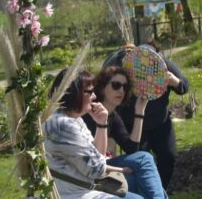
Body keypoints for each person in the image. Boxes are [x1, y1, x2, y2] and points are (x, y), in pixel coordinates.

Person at [44, 68, 146, 199]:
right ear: (75, 93)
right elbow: (97, 170)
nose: (94, 96)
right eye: (90, 91)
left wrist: (102, 123)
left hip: (83, 187)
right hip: (76, 193)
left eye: (125, 87)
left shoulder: (73, 119)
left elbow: (98, 156)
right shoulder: (64, 126)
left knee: (143, 165)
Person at [115, 41, 189, 190]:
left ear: (156, 55)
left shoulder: (164, 64)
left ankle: (160, 190)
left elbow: (184, 87)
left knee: (168, 157)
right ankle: (146, 192)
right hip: (135, 124)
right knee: (140, 162)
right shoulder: (126, 67)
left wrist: (174, 81)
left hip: (161, 123)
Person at [86, 67, 167, 199]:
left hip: (103, 165)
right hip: (90, 171)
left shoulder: (114, 116)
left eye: (125, 87)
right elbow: (88, 160)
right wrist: (121, 170)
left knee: (145, 167)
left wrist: (139, 110)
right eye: (116, 85)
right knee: (145, 162)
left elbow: (131, 148)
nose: (121, 91)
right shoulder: (89, 113)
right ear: (101, 88)